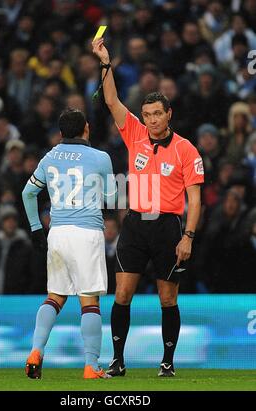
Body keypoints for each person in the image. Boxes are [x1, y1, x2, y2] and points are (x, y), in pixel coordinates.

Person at [92, 38, 204, 377]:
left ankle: (167, 363)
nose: (152, 120)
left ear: (169, 114)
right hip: (136, 225)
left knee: (168, 299)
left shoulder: (186, 150)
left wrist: (188, 236)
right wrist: (105, 63)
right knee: (122, 294)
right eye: (147, 115)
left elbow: (195, 199)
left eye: (158, 114)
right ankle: (117, 361)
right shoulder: (135, 135)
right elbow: (110, 100)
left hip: (169, 227)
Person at [22, 108, 117, 379]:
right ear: (86, 128)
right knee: (90, 302)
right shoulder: (100, 158)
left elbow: (28, 192)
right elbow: (111, 198)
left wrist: (36, 228)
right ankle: (91, 366)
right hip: (87, 233)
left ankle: (36, 350)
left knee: (55, 297)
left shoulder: (50, 157)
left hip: (58, 233)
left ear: (61, 132)